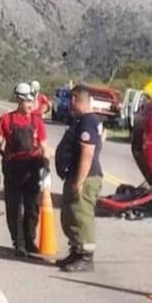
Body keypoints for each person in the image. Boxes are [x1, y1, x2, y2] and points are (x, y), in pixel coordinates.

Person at [0, 82, 50, 257]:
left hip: (32, 168)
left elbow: (44, 146)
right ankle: (19, 243)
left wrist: (46, 169)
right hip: (13, 169)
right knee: (14, 207)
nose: (30, 104)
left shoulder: (37, 121)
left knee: (32, 207)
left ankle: (29, 240)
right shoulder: (6, 119)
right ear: (19, 100)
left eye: (32, 101)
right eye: (27, 101)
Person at [54, 84, 104, 272]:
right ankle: (76, 251)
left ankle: (85, 256)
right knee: (71, 215)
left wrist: (80, 181)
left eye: (70, 99)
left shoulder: (88, 121)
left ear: (75, 98)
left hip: (85, 176)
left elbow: (87, 152)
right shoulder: (83, 120)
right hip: (76, 174)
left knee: (81, 216)